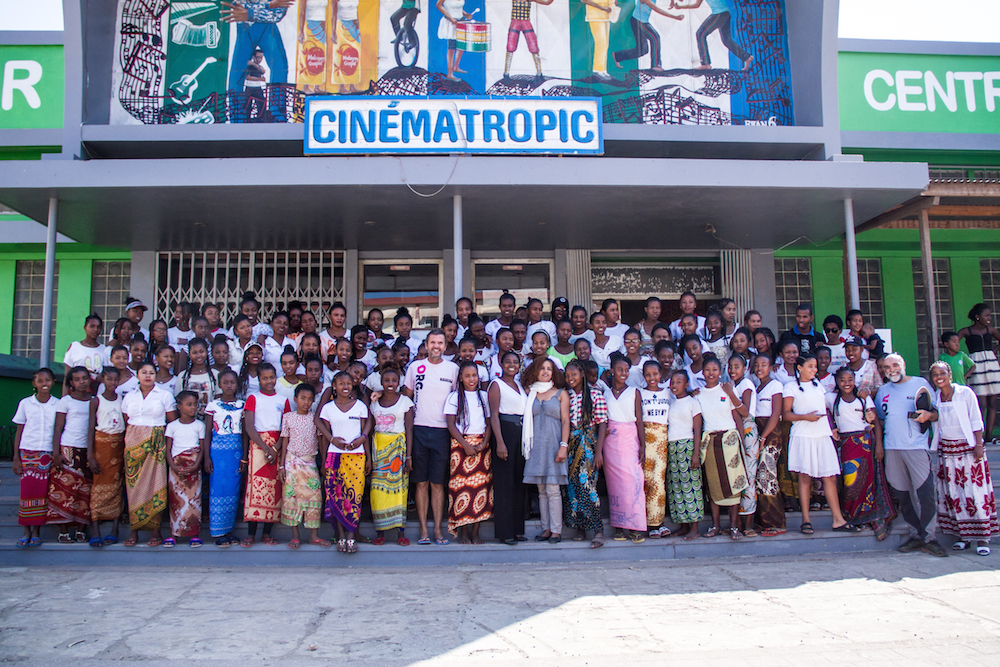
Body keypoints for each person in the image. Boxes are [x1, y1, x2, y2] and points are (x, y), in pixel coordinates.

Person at [874, 353, 945, 555]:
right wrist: (879, 445)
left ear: (903, 365)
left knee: (925, 493)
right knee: (903, 495)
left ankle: (929, 538)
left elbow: (936, 413)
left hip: (916, 447)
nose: (891, 370)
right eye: (887, 367)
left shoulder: (920, 384)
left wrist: (928, 416)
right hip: (891, 448)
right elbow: (880, 420)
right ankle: (916, 536)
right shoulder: (883, 391)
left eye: (895, 365)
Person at [782, 353, 857, 536]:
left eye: (815, 366)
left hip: (822, 435)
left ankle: (838, 519)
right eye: (810, 366)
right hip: (803, 436)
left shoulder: (819, 387)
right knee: (805, 478)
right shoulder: (791, 387)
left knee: (829, 477)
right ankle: (806, 520)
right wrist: (805, 417)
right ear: (799, 367)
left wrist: (831, 429)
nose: (814, 370)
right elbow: (786, 414)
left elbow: (826, 411)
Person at [929, 361, 998, 555]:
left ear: (950, 374)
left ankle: (983, 538)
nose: (938, 377)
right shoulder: (936, 397)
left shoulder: (965, 393)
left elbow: (976, 419)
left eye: (942, 372)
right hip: (947, 450)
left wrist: (978, 444)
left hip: (968, 448)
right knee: (954, 494)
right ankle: (964, 536)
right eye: (935, 374)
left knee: (975, 492)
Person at [402, 328, 459, 545]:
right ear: (426, 345)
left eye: (440, 343)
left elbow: (456, 399)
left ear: (445, 346)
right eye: (432, 342)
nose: (436, 346)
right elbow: (406, 398)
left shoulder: (453, 369)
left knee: (437, 484)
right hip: (419, 430)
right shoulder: (415, 367)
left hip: (443, 432)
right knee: (421, 483)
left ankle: (438, 530)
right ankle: (424, 530)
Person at [827, 366, 896, 541]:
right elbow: (823, 412)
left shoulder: (863, 398)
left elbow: (876, 423)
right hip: (846, 444)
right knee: (849, 483)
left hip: (865, 443)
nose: (846, 383)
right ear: (837, 381)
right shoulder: (831, 398)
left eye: (850, 379)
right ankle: (850, 516)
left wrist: (879, 445)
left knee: (867, 482)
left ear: (855, 380)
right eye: (842, 380)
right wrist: (832, 427)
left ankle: (867, 517)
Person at [121, 361, 177, 547]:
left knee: (156, 485)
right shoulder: (129, 396)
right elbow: (126, 420)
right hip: (134, 443)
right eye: (143, 372)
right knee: (133, 486)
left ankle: (156, 531)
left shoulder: (165, 395)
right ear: (137, 375)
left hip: (156, 443)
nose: (147, 375)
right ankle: (134, 531)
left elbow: (172, 421)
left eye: (151, 372)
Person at [318, 371, 372, 554]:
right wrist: (332, 440)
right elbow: (320, 427)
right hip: (335, 457)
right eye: (341, 383)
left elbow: (368, 427)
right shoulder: (328, 408)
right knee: (336, 498)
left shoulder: (360, 406)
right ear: (334, 386)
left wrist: (363, 440)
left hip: (357, 457)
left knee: (354, 498)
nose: (345, 386)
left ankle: (351, 536)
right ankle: (341, 535)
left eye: (348, 383)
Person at [696, 356, 746, 540]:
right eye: (707, 370)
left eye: (715, 370)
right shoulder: (698, 394)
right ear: (703, 372)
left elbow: (739, 416)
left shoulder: (726, 390)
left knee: (734, 482)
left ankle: (734, 526)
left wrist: (742, 442)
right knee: (713, 485)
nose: (711, 373)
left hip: (730, 440)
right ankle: (715, 525)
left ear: (720, 371)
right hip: (710, 441)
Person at [521, 357, 570, 543]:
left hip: (554, 445)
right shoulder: (529, 392)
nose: (545, 372)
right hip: (535, 447)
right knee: (541, 489)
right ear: (535, 370)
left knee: (553, 489)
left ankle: (557, 530)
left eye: (549, 369)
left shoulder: (560, 394)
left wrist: (563, 446)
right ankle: (546, 529)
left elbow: (566, 421)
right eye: (542, 368)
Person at [445, 361, 493, 544]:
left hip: (481, 446)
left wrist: (484, 443)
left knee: (481, 489)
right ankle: (463, 530)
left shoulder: (484, 395)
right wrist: (465, 444)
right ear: (461, 378)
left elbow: (489, 423)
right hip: (460, 446)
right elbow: (450, 424)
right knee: (460, 488)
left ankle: (475, 532)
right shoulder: (453, 397)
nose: (471, 379)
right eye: (467, 376)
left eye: (474, 376)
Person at [562, 359, 608, 548]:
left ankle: (598, 530)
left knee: (588, 486)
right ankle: (579, 527)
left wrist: (599, 453)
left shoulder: (596, 395)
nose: (570, 378)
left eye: (573, 374)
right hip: (572, 446)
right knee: (572, 488)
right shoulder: (567, 396)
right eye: (567, 375)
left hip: (588, 447)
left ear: (581, 374)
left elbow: (602, 424)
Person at [48, 367, 96, 544]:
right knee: (66, 489)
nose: (82, 382)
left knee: (86, 490)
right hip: (68, 447)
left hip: (88, 449)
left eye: (85, 378)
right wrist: (56, 452)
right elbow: (58, 428)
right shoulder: (65, 401)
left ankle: (81, 529)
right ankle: (64, 530)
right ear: (71, 383)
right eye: (77, 379)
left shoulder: (93, 401)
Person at [242, 363, 288, 547]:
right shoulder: (253, 398)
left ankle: (267, 533)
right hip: (258, 446)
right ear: (259, 380)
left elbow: (285, 428)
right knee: (256, 490)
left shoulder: (282, 400)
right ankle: (251, 533)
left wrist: (275, 448)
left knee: (273, 490)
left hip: (277, 445)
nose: (269, 381)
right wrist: (265, 447)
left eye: (272, 377)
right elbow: (249, 427)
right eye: (265, 378)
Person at [12, 368, 58, 547]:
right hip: (28, 452)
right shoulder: (25, 404)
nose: (44, 384)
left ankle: (37, 530)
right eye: (40, 381)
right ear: (34, 383)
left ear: (53, 382)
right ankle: (26, 530)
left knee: (42, 493)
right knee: (27, 493)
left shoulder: (57, 404)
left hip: (47, 453)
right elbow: (19, 431)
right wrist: (16, 457)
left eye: (47, 380)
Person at [279, 384, 329, 548]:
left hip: (310, 462)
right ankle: (295, 535)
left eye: (309, 399)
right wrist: (281, 466)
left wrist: (324, 462)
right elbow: (285, 441)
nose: (306, 402)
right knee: (292, 497)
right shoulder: (288, 417)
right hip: (292, 462)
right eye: (302, 398)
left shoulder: (315, 418)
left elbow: (321, 439)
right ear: (295, 399)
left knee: (315, 496)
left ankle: (314, 535)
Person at [604, 356, 647, 543]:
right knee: (615, 486)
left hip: (630, 440)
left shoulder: (634, 392)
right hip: (611, 443)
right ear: (611, 371)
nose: (623, 373)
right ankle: (620, 527)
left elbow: (639, 420)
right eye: (620, 369)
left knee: (633, 483)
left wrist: (643, 444)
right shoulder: (605, 393)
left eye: (626, 370)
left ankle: (636, 527)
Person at [369, 366, 414, 545]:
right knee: (377, 491)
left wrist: (408, 456)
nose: (390, 384)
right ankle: (380, 532)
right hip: (379, 449)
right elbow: (370, 426)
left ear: (399, 382)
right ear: (381, 382)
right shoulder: (373, 402)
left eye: (394, 381)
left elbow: (409, 429)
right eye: (386, 380)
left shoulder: (405, 402)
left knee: (399, 492)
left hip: (398, 450)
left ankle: (400, 533)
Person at [488, 351, 528, 545]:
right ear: (501, 364)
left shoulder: (520, 385)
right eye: (508, 362)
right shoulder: (496, 385)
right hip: (504, 432)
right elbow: (494, 415)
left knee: (519, 483)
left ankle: (518, 529)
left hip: (521, 434)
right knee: (504, 484)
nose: (512, 365)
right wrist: (500, 442)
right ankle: (505, 532)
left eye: (516, 362)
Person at [204, 370, 245, 547]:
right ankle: (218, 532)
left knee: (233, 491)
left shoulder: (242, 405)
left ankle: (229, 530)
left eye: (232, 382)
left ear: (237, 385)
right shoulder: (213, 405)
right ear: (219, 384)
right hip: (217, 451)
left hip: (235, 453)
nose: (229, 386)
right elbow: (207, 434)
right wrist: (206, 457)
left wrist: (244, 456)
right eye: (225, 382)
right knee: (217, 490)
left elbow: (244, 433)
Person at [90, 367, 126, 545]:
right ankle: (95, 527)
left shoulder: (122, 400)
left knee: (117, 485)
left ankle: (114, 527)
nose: (112, 383)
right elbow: (90, 428)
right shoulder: (96, 401)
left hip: (118, 445)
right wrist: (90, 455)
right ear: (103, 380)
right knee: (98, 484)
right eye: (109, 379)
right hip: (101, 445)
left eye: (115, 380)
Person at [164, 391, 205, 548]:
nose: (193, 407)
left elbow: (201, 448)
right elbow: (168, 449)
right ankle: (174, 534)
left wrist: (196, 466)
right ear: (179, 406)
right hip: (176, 467)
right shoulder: (172, 426)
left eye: (195, 404)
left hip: (194, 468)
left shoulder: (199, 426)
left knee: (193, 501)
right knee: (176, 502)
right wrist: (173, 466)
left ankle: (194, 534)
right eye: (189, 404)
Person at [666, 369, 703, 540]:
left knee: (692, 488)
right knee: (677, 489)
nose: (674, 385)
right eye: (673, 382)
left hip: (687, 446)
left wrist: (696, 453)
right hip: (672, 447)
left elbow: (697, 430)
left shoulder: (693, 402)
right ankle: (683, 525)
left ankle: (694, 528)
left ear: (687, 385)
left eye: (679, 382)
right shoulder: (671, 403)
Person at [752, 354, 785, 536]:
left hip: (771, 434)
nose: (759, 368)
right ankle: (762, 521)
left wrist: (763, 437)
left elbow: (775, 414)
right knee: (760, 478)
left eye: (763, 364)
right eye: (756, 365)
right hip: (759, 432)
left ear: (770, 367)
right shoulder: (757, 387)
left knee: (767, 477)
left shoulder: (775, 385)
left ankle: (776, 522)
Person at [959, 304, 1000, 444]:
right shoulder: (966, 331)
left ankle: (989, 436)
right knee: (980, 402)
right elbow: (953, 342)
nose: (989, 318)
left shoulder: (991, 330)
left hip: (991, 365)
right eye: (987, 315)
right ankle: (978, 435)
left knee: (993, 401)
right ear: (978, 317)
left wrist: (993, 351)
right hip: (976, 365)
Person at [639, 360, 671, 538]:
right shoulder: (640, 393)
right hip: (645, 440)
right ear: (644, 376)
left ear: (661, 375)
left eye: (655, 374)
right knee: (646, 481)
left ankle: (658, 521)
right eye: (648, 374)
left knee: (659, 482)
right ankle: (646, 523)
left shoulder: (668, 392)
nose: (652, 378)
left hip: (662, 441)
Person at [673, 0, 753, 71]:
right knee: (726, 41)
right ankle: (746, 57)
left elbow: (696, 4)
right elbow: (696, 4)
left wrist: (680, 6)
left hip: (719, 14)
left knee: (700, 34)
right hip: (725, 13)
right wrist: (678, 4)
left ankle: (705, 63)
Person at [729, 354, 759, 536]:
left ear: (745, 368)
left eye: (737, 366)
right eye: (731, 367)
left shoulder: (746, 384)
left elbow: (745, 410)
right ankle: (738, 522)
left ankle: (749, 522)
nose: (733, 370)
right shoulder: (733, 385)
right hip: (736, 428)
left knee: (749, 476)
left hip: (747, 429)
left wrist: (731, 394)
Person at [612, 0, 683, 70]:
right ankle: (656, 65)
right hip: (639, 22)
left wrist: (672, 1)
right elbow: (658, 9)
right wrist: (675, 17)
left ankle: (618, 56)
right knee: (655, 37)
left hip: (640, 21)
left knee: (643, 50)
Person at [503, 0, 553, 80]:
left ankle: (539, 73)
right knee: (510, 46)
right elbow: (547, 2)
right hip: (516, 22)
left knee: (533, 46)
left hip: (524, 21)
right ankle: (506, 73)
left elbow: (547, 2)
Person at [63, 314, 108, 395]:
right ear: (85, 327)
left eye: (98, 327)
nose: (95, 329)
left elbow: (106, 374)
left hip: (96, 394)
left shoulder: (104, 349)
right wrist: (64, 398)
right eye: (92, 326)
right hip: (76, 394)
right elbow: (67, 376)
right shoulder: (75, 346)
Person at [436, 0, 473, 81]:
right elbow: (438, 5)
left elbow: (458, 7)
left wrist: (465, 14)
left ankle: (456, 67)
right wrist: (450, 18)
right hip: (451, 22)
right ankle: (449, 74)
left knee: (461, 45)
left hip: (461, 21)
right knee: (451, 47)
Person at [581, 0, 616, 81]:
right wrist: (602, 8)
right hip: (595, 16)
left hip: (606, 16)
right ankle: (598, 69)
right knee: (601, 42)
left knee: (605, 43)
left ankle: (603, 70)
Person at [586, 311, 624, 376]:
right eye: (597, 322)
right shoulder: (589, 345)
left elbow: (624, 357)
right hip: (599, 378)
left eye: (604, 322)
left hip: (618, 376)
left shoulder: (616, 339)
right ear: (591, 326)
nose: (601, 325)